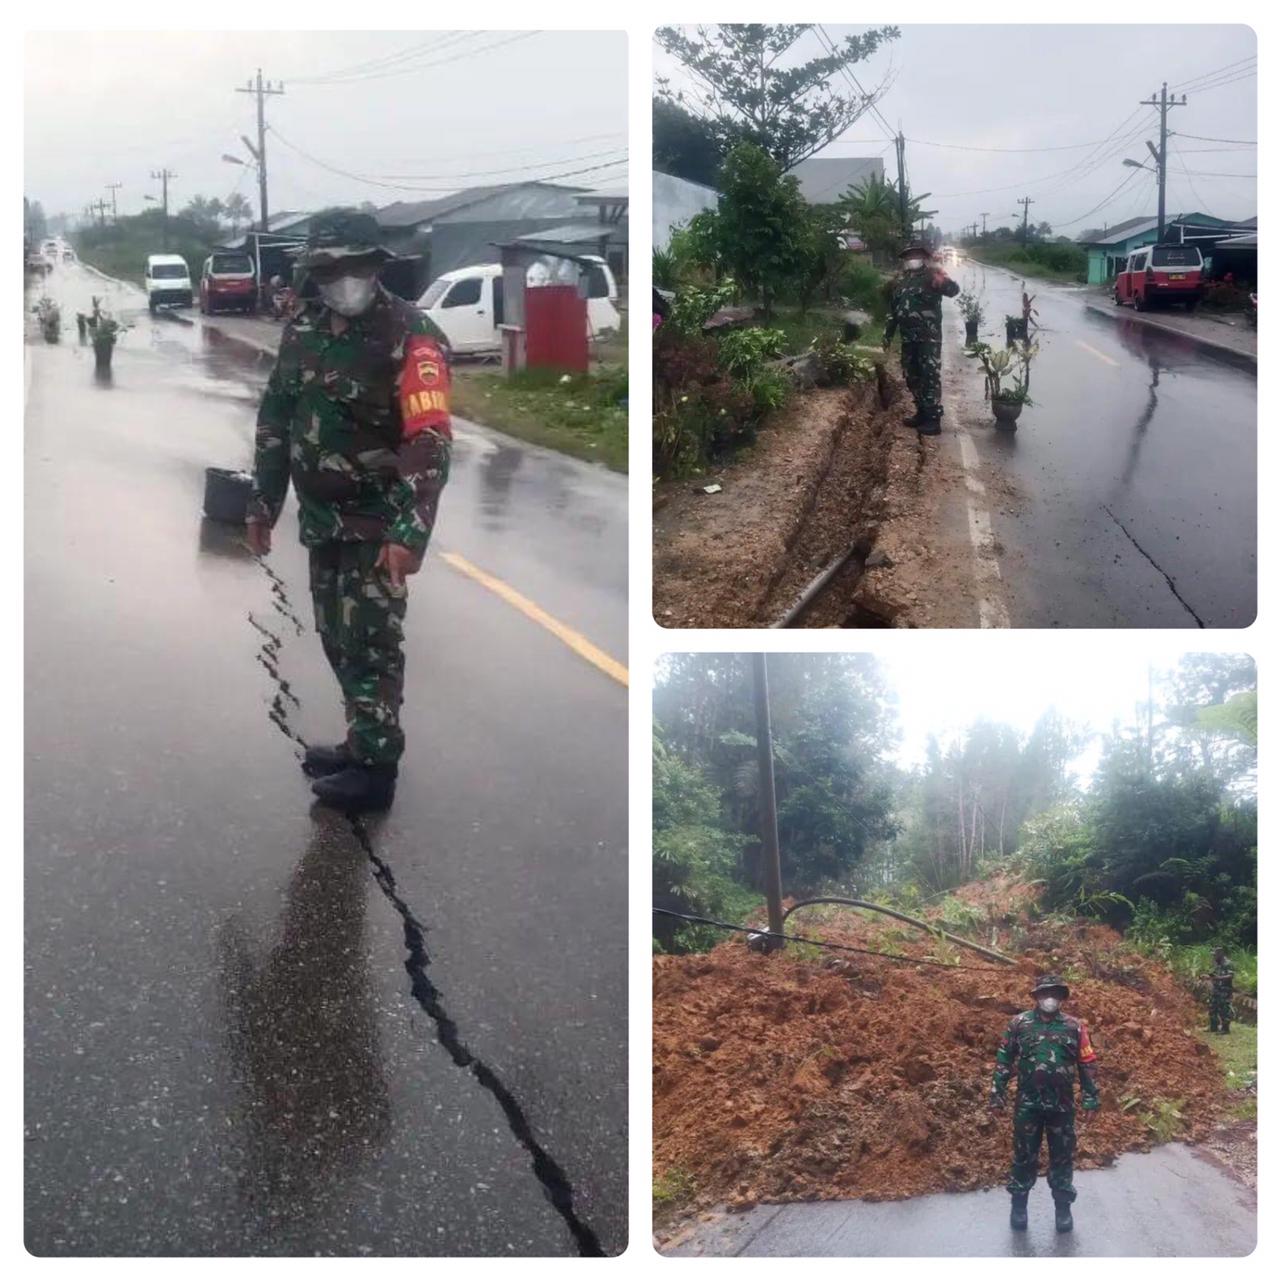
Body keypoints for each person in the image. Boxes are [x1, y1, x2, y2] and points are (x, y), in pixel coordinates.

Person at [246, 207, 452, 813]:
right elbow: (276, 421)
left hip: (378, 523)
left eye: (353, 267)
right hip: (323, 522)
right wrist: (264, 503)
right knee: (337, 637)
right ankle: (361, 741)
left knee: (371, 645)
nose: (342, 279)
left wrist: (410, 531)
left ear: (375, 266)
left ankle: (377, 769)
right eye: (329, 269)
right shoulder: (304, 331)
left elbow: (430, 441)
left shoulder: (413, 336)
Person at [990, 974, 1099, 1234]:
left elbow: (1087, 1063)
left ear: (1061, 997)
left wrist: (1091, 1097)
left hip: (1062, 1108)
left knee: (1062, 1157)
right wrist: (997, 1093)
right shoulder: (1019, 1024)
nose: (1050, 998)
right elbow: (1004, 1060)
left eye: (1055, 993)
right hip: (1028, 1106)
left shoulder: (1075, 1027)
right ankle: (1019, 1207)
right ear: (1037, 996)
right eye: (1045, 993)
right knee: (1023, 1156)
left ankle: (1063, 1210)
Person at [882, 241, 960, 435]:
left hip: (928, 338)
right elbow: (894, 312)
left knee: (929, 376)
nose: (912, 259)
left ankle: (933, 419)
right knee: (911, 376)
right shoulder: (900, 281)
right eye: (909, 256)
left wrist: (946, 282)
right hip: (908, 339)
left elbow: (953, 291)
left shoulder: (932, 275)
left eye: (915, 255)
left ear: (923, 257)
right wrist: (887, 337)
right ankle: (921, 411)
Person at [1208, 948, 1235, 1035]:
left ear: (1220, 954)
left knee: (1224, 1010)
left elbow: (1230, 976)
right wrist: (1209, 977)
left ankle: (1225, 1029)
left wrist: (1218, 978)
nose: (1214, 956)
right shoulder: (1217, 964)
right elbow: (1215, 974)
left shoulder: (1228, 963)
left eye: (1215, 955)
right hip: (1216, 989)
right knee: (1213, 1008)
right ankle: (1213, 1027)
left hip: (1225, 991)